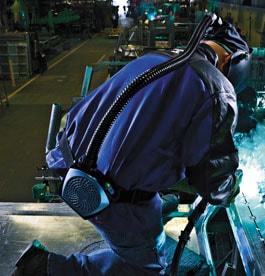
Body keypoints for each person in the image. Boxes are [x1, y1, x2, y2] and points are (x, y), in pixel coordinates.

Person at [10, 16, 251, 276]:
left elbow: (142, 140)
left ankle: (148, 214)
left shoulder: (156, 59)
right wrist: (228, 188)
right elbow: (212, 180)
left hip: (68, 161)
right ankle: (42, 269)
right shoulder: (217, 89)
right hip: (105, 192)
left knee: (149, 212)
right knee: (145, 268)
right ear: (231, 62)